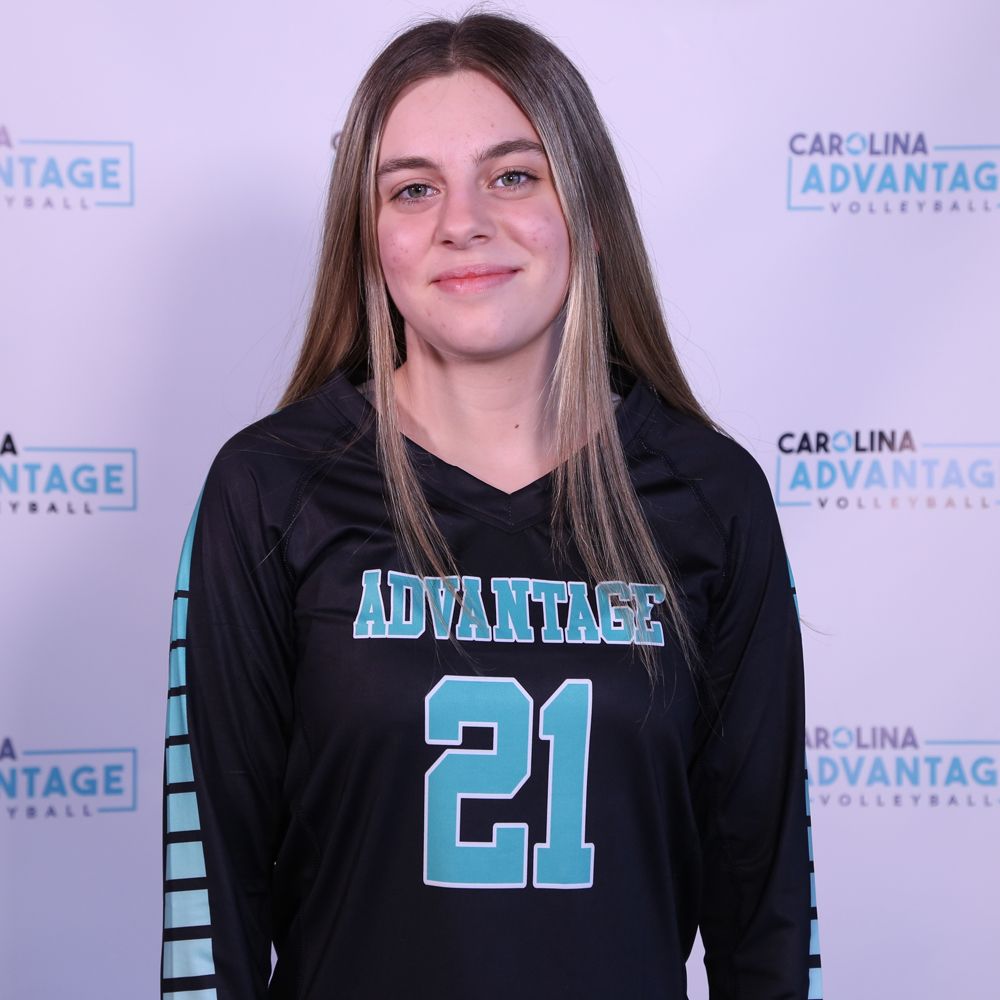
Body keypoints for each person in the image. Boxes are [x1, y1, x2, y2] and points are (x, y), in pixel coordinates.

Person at [160, 12, 822, 999]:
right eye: (412, 188)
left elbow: (764, 912)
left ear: (586, 207)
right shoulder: (270, 491)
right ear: (368, 235)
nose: (461, 221)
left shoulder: (710, 497)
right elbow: (209, 901)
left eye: (512, 175)